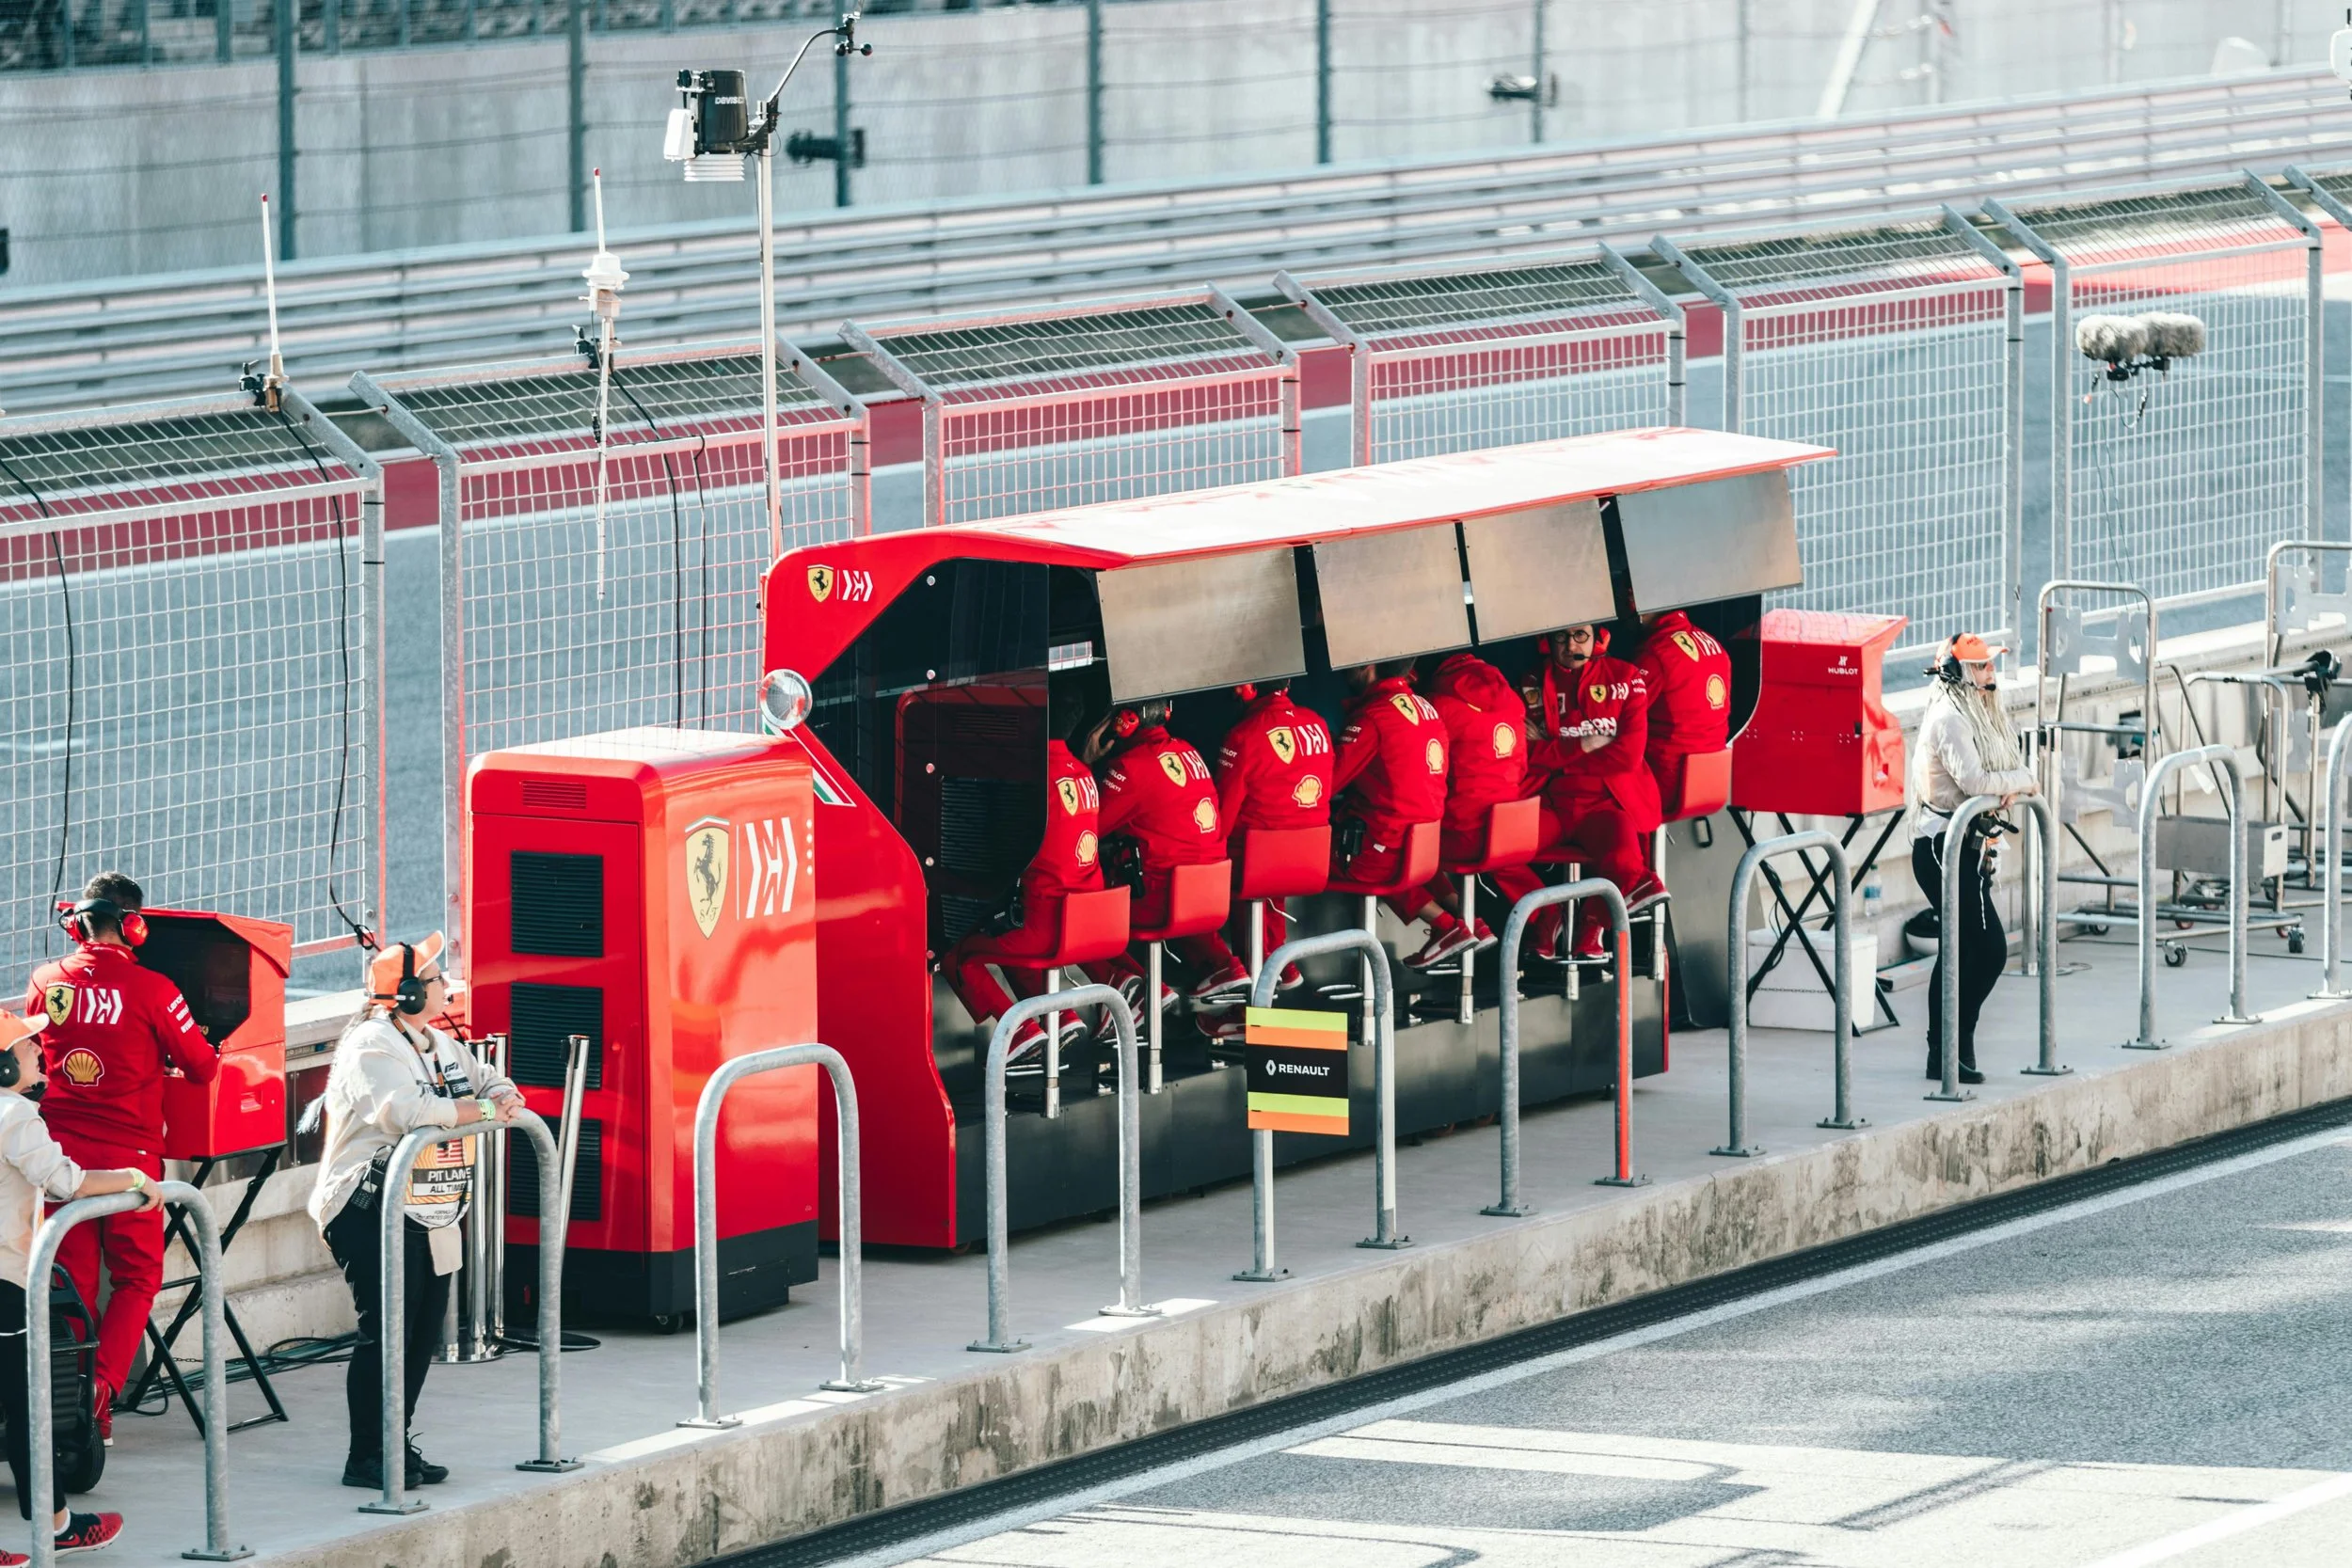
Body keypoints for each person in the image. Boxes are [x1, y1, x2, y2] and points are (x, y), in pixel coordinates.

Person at [309, 933, 523, 1491]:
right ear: (404, 994)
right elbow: (407, 1110)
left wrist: (506, 1095)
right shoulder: (372, 1045)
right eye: (434, 979)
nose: (445, 985)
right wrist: (481, 1110)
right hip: (366, 1204)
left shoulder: (436, 1043)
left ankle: (394, 1441)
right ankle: (367, 1457)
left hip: (428, 1205)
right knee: (387, 1330)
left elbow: (485, 1078)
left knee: (422, 1328)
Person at [24, 870, 216, 1449]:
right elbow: (204, 1067)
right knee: (136, 1278)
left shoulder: (44, 980)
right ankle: (100, 1394)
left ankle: (65, 1405)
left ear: (77, 923)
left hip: (60, 1158)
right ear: (133, 926)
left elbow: (30, 1053)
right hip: (131, 1159)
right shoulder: (155, 990)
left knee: (75, 1282)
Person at [0, 1008, 148, 1558]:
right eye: (27, 1047)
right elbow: (67, 1180)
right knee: (28, 1409)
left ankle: (57, 1523)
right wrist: (136, 1179)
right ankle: (58, 1527)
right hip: (6, 1286)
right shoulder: (15, 1116)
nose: (39, 1051)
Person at [942, 686, 1104, 1073]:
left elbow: (997, 852)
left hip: (1045, 926)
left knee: (950, 944)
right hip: (1083, 921)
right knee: (1004, 937)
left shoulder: (1029, 780)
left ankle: (1016, 1031)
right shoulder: (1084, 773)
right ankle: (1057, 1018)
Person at [1910, 633, 2037, 1085]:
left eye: (1990, 666)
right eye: (1981, 667)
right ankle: (1948, 1046)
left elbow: (2005, 776)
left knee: (1966, 950)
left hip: (1966, 845)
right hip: (1943, 848)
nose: (1991, 675)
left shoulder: (1977, 715)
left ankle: (1951, 1048)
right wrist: (2019, 779)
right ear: (1958, 674)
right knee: (1985, 950)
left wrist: (2015, 780)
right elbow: (1976, 779)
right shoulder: (1948, 719)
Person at [1082, 698, 1240, 1034]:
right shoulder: (1190, 751)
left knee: (1078, 903)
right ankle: (1224, 968)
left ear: (1124, 721)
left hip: (1162, 903)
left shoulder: (1128, 768)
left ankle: (1140, 992)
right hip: (1210, 894)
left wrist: (1084, 763)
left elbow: (1082, 829)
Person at [1521, 626, 1668, 960]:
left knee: (1627, 861)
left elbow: (1627, 757)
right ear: (1547, 641)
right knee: (1502, 850)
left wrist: (1556, 753)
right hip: (1550, 803)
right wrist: (1585, 744)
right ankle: (1544, 914)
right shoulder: (1530, 680)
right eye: (1561, 637)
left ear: (1599, 638)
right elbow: (1525, 756)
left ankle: (1592, 922)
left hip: (1604, 804)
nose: (1570, 645)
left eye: (1580, 636)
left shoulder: (1626, 677)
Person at [1389, 650, 1527, 969]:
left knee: (1393, 851)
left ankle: (1451, 926)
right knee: (1413, 848)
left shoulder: (1436, 706)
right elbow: (1521, 768)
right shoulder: (1510, 698)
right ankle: (1469, 922)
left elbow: (1423, 777)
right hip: (1508, 827)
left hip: (1464, 833)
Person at [1211, 679, 1335, 997]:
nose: (1235, 691)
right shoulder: (1318, 723)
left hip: (1258, 863)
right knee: (1270, 846)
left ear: (1251, 689)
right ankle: (1278, 962)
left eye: (1239, 686)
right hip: (1311, 859)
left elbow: (1222, 821)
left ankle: (1252, 1003)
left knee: (1236, 861)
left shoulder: (1243, 736)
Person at [1330, 659, 1450, 888]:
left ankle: (1452, 923)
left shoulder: (1372, 716)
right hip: (1422, 844)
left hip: (1379, 851)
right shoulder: (1427, 707)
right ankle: (1460, 923)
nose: (1342, 667)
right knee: (1397, 862)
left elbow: (1324, 786)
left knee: (1281, 861)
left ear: (1366, 664)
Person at [1634, 608, 1734, 798]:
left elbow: (1619, 713)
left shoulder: (1655, 653)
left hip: (1667, 780)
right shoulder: (1715, 645)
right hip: (1711, 779)